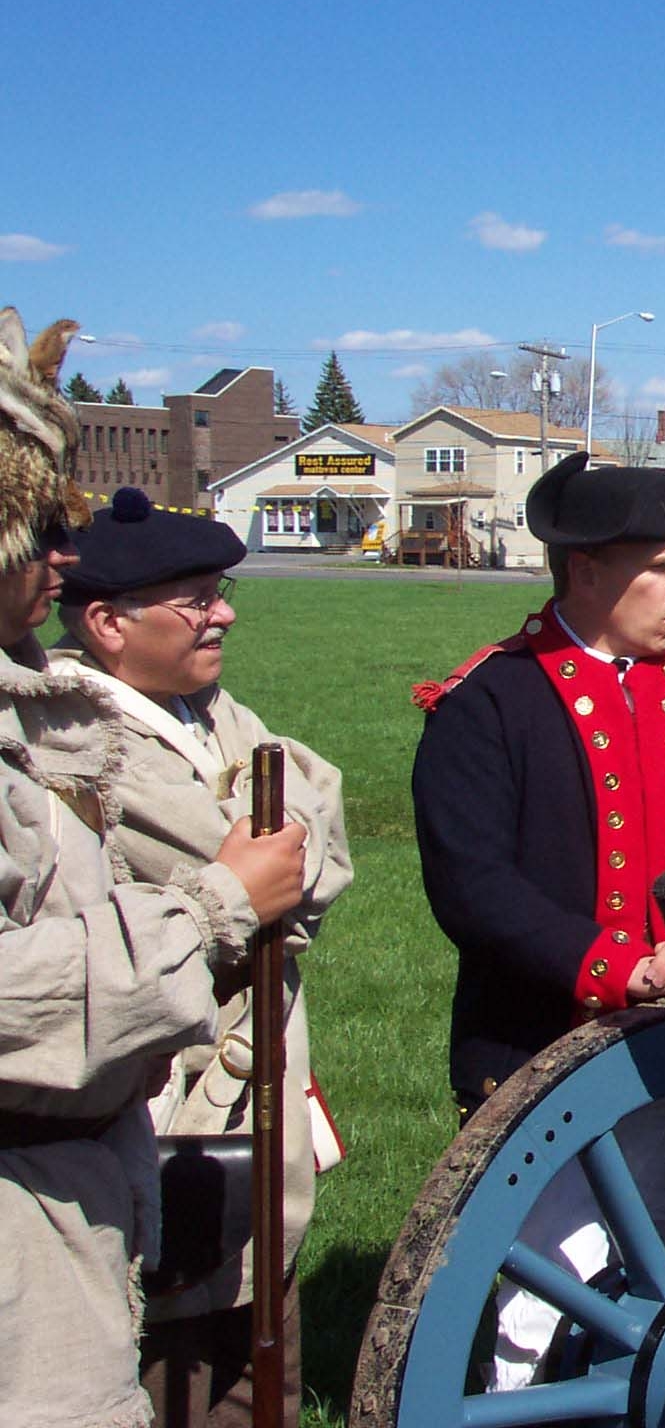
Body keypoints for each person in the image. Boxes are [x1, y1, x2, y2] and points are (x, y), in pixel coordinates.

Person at [410, 451, 665, 1389]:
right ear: (585, 570)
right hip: (540, 1051)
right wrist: (631, 969)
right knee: (544, 1302)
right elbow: (474, 888)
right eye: (662, 565)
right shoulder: (488, 703)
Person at [0, 307, 307, 1427]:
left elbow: (309, 821)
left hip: (94, 1170)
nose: (55, 554)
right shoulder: (65, 726)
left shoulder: (45, 709)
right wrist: (222, 901)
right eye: (36, 530)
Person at [49, 486, 354, 1428]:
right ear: (106, 623)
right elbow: (243, 864)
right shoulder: (70, 738)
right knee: (168, 1367)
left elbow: (321, 841)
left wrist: (260, 873)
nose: (224, 611)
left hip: (261, 1104)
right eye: (195, 598)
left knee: (258, 1355)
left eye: (221, 590)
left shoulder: (215, 712)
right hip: (165, 1104)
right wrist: (253, 876)